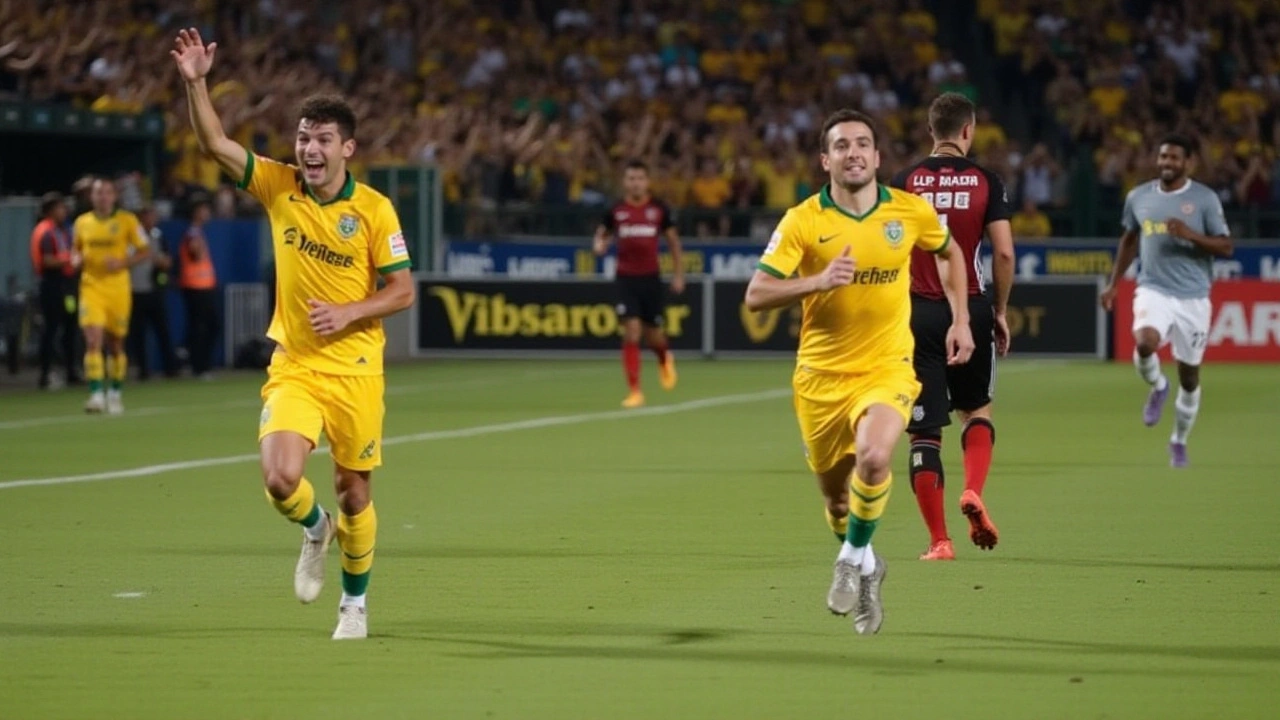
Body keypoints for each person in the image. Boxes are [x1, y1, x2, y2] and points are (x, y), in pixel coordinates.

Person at [172, 28, 416, 639]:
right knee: (281, 479)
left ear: (347, 148)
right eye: (303, 137)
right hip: (297, 365)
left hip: (357, 371)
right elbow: (215, 143)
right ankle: (315, 528)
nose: (309, 148)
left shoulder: (375, 211)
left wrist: (353, 312)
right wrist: (197, 82)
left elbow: (403, 289)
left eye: (322, 139)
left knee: (354, 493)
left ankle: (353, 604)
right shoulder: (279, 185)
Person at [744, 109, 974, 635]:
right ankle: (869, 566)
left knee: (874, 456)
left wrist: (960, 318)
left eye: (863, 144)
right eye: (842, 145)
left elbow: (950, 252)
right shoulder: (803, 220)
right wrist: (817, 281)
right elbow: (756, 295)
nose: (854, 152)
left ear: (876, 156)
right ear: (826, 159)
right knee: (837, 500)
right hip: (820, 378)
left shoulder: (909, 211)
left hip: (887, 366)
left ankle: (850, 561)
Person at [889, 93, 1015, 561]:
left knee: (924, 432)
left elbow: (891, 248)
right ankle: (975, 491)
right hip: (971, 308)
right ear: (968, 131)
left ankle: (939, 541)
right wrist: (998, 311)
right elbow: (1002, 252)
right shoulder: (987, 180)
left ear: (931, 132)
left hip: (917, 313)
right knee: (976, 410)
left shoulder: (905, 181)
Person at [1100, 134, 1232, 468]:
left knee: (1190, 378)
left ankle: (1178, 441)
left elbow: (1225, 246)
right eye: (1163, 157)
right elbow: (1129, 239)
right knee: (1145, 343)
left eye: (1174, 158)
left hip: (1193, 298)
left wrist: (1191, 235)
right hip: (1153, 288)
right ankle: (1158, 385)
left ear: (1189, 163)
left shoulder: (1204, 200)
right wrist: (1115, 284)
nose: (1166, 164)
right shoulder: (1139, 197)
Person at [592, 160, 685, 408]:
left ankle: (665, 359)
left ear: (647, 181)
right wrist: (599, 246)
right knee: (632, 331)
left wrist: (678, 275)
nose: (635, 183)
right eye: (631, 178)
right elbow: (601, 235)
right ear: (625, 182)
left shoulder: (659, 210)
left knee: (654, 336)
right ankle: (635, 391)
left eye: (640, 178)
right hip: (625, 279)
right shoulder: (616, 211)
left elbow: (674, 243)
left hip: (651, 279)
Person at [71, 177, 151, 414]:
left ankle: (115, 392)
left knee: (116, 345)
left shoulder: (127, 221)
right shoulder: (82, 223)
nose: (102, 197)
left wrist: (123, 262)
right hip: (91, 287)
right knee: (93, 340)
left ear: (114, 196)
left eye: (107, 192)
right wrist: (75, 259)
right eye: (98, 193)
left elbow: (144, 250)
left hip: (118, 289)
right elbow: (75, 249)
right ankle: (96, 394)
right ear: (91, 197)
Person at [29, 191, 81, 389]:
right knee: (51, 329)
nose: (64, 211)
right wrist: (69, 259)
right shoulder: (45, 231)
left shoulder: (63, 230)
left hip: (67, 284)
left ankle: (71, 371)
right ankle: (45, 373)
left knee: (70, 328)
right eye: (60, 208)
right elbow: (47, 260)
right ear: (50, 210)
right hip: (52, 284)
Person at [127, 206, 178, 381]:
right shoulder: (131, 237)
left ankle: (170, 368)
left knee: (162, 330)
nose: (151, 220)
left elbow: (167, 260)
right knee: (138, 333)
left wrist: (161, 262)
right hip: (136, 289)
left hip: (155, 289)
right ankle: (143, 370)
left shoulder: (158, 235)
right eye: (148, 216)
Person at [178, 198, 221, 379]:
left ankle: (191, 357)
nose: (207, 213)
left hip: (204, 286)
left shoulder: (197, 232)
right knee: (202, 327)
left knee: (206, 326)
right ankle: (198, 365)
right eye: (204, 209)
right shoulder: (193, 233)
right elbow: (196, 254)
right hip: (195, 286)